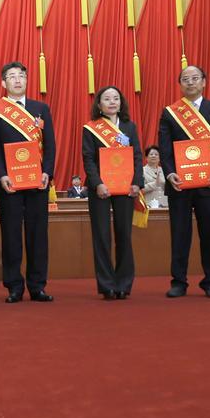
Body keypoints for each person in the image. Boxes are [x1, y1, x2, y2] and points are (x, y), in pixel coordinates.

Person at [159, 66, 210, 299]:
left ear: (204, 82)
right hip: (180, 184)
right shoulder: (170, 112)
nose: (190, 82)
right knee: (179, 233)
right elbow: (164, 147)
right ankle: (178, 281)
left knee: (209, 233)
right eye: (185, 79)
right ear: (180, 84)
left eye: (194, 78)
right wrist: (170, 173)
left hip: (209, 183)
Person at [0, 62, 56, 303]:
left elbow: (50, 145)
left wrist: (48, 172)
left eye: (21, 76)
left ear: (27, 81)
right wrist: (1, 175)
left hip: (38, 182)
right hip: (10, 184)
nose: (17, 80)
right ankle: (14, 286)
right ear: (4, 83)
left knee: (38, 235)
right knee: (11, 234)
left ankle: (37, 286)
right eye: (12, 77)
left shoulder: (40, 108)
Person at [82, 86, 143, 300]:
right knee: (102, 235)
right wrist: (98, 183)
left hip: (126, 187)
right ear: (99, 104)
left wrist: (137, 183)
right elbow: (88, 159)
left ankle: (124, 283)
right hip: (100, 188)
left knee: (123, 234)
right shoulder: (91, 128)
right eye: (106, 99)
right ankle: (106, 284)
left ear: (121, 102)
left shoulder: (129, 127)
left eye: (116, 98)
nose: (112, 102)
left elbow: (137, 156)